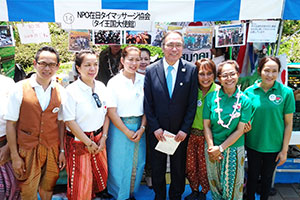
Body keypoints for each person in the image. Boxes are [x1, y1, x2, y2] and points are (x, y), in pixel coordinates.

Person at [5, 46, 66, 200]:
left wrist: (62, 151)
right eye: (43, 63)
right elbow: (11, 124)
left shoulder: (60, 90)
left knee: (48, 187)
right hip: (27, 148)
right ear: (34, 63)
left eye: (52, 65)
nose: (47, 68)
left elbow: (61, 123)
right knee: (27, 190)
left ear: (58, 66)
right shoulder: (19, 89)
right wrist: (15, 155)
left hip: (51, 147)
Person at [144, 31, 198, 200]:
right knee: (158, 167)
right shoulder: (151, 70)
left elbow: (192, 103)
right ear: (163, 47)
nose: (174, 49)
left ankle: (176, 195)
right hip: (158, 132)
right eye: (170, 45)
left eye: (178, 45)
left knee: (178, 167)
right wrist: (155, 127)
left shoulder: (191, 70)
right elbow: (148, 103)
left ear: (182, 48)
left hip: (179, 133)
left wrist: (184, 129)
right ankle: (159, 196)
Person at [244, 56, 295, 200]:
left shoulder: (286, 93)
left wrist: (284, 150)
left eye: (274, 71)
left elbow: (288, 123)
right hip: (253, 144)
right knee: (252, 177)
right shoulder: (249, 92)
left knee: (267, 180)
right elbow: (244, 118)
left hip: (273, 145)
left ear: (279, 72)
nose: (270, 75)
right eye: (267, 70)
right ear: (260, 71)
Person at [63, 50, 110, 200]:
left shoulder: (101, 86)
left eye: (95, 64)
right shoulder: (71, 91)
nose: (92, 69)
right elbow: (69, 120)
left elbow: (106, 113)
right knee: (80, 183)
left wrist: (104, 137)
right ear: (78, 68)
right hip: (79, 142)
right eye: (87, 65)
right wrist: (88, 142)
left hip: (98, 138)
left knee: (99, 176)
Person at [203, 60, 251, 200]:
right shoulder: (211, 98)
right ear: (219, 78)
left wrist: (221, 148)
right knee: (215, 185)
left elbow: (240, 130)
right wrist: (212, 148)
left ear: (238, 75)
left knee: (233, 189)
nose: (229, 78)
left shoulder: (245, 101)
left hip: (234, 149)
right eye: (224, 75)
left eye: (232, 74)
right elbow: (206, 125)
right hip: (212, 148)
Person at [106, 46, 146, 200]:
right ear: (122, 60)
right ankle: (118, 195)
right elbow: (111, 111)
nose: (134, 63)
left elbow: (148, 108)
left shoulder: (144, 79)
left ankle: (130, 194)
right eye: (130, 59)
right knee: (119, 163)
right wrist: (126, 131)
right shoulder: (114, 82)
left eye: (138, 59)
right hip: (119, 127)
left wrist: (142, 127)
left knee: (138, 161)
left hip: (139, 126)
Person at [185, 58, 219, 200]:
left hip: (209, 137)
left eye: (209, 73)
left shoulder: (218, 92)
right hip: (191, 135)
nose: (205, 78)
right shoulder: (191, 90)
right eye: (201, 74)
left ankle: (204, 192)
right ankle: (194, 190)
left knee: (205, 168)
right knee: (191, 167)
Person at [0, 75, 20, 200]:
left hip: (4, 146)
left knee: (10, 189)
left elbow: (19, 118)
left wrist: (8, 148)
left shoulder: (7, 83)